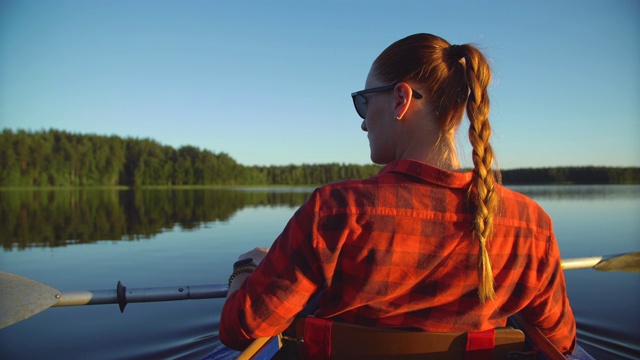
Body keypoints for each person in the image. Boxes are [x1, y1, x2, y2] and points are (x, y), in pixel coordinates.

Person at [219, 33, 576, 355]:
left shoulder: (334, 212)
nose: (362, 121)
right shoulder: (530, 225)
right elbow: (561, 343)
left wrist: (245, 270)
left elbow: (238, 330)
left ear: (399, 100)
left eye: (364, 101)